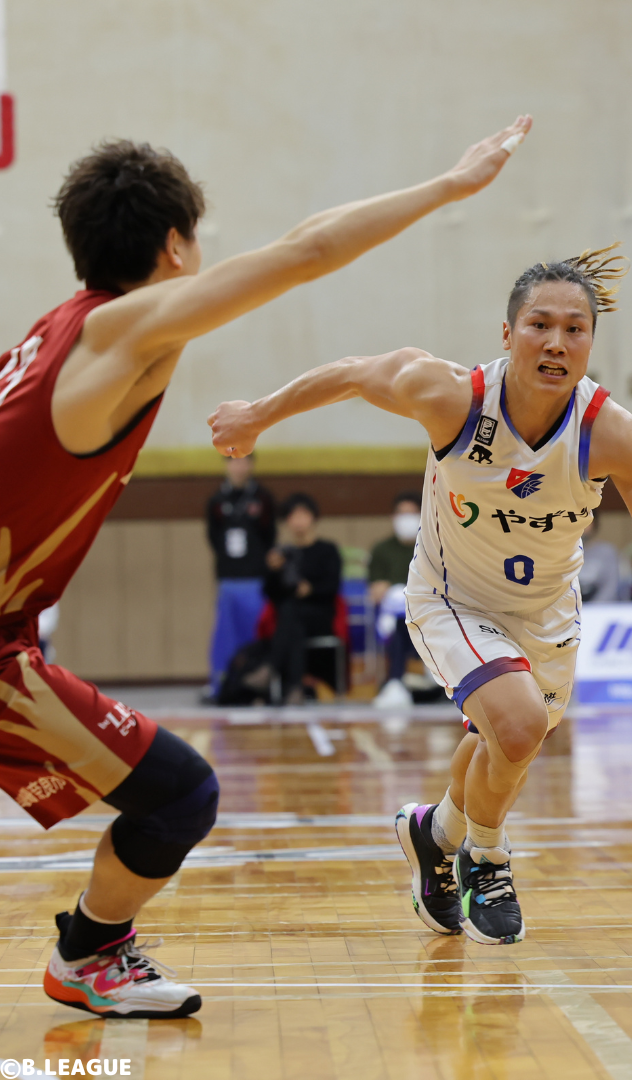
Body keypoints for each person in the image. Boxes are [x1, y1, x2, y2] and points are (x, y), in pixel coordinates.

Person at [0, 116, 530, 1016]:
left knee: (175, 792)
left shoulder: (55, 334)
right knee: (178, 795)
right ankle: (88, 956)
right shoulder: (123, 331)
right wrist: (450, 186)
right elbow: (306, 250)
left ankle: (92, 952)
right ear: (177, 247)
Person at [208, 244, 632, 947]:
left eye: (575, 329)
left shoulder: (611, 434)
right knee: (519, 726)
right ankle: (486, 859)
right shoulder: (451, 397)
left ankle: (434, 834)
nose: (556, 343)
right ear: (507, 333)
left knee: (504, 745)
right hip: (451, 597)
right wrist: (256, 415)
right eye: (539, 325)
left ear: (591, 343)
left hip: (546, 613)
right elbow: (352, 373)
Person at [244, 494, 342, 704]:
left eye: (303, 515)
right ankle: (295, 689)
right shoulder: (282, 553)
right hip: (290, 619)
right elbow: (269, 593)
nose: (298, 521)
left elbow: (332, 586)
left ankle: (270, 669)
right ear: (287, 521)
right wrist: (272, 571)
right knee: (292, 619)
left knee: (291, 614)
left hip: (320, 616)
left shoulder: (327, 550)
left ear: (313, 518)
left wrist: (311, 589)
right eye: (293, 516)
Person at [205, 453, 276, 697]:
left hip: (255, 580)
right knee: (225, 635)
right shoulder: (216, 500)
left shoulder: (263, 498)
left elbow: (269, 536)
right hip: (228, 579)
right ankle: (222, 686)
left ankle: (255, 685)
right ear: (226, 465)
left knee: (255, 632)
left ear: (251, 464)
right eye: (233, 461)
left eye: (244, 460)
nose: (239, 466)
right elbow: (214, 537)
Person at [368, 492, 425, 707]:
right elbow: (376, 591)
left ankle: (404, 680)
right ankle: (395, 681)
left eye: (412, 513)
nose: (406, 519)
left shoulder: (432, 546)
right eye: (402, 514)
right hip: (394, 618)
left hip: (427, 611)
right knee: (400, 624)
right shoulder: (382, 549)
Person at [578, 511, 625, 602]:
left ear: (594, 523)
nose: (581, 526)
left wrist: (595, 608)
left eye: (586, 521)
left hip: (600, 608)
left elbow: (611, 587)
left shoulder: (606, 552)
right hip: (568, 608)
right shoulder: (559, 553)